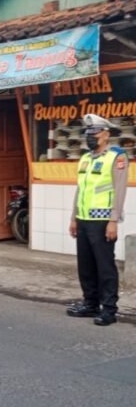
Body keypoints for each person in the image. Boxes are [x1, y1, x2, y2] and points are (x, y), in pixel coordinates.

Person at [67, 113, 128, 326]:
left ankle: (109, 309)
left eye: (94, 132)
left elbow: (119, 191)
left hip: (102, 221)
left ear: (106, 134)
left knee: (105, 266)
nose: (90, 136)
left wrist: (113, 221)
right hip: (83, 219)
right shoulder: (85, 158)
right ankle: (90, 303)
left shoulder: (117, 156)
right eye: (88, 133)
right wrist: (73, 218)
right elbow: (80, 189)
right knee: (85, 266)